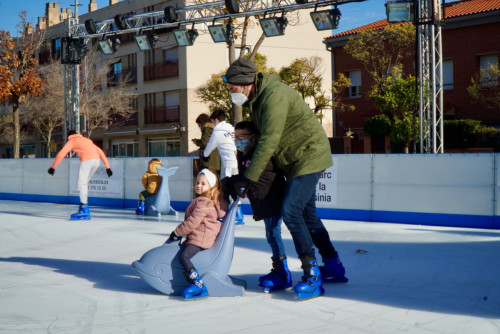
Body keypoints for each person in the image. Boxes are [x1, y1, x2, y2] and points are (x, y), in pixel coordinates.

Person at [222, 58, 347, 300]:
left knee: (291, 211)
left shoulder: (274, 96)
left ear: (245, 83)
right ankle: (333, 265)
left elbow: (269, 140)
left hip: (309, 155)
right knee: (308, 215)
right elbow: (257, 139)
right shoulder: (256, 102)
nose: (231, 94)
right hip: (294, 160)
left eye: (232, 89)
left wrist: (248, 179)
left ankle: (312, 274)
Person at [222, 121, 291, 293]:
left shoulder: (260, 153)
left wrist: (241, 182)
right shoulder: (243, 154)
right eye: (235, 137)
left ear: (253, 137)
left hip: (272, 198)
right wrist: (232, 182)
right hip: (261, 200)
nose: (238, 140)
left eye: (242, 136)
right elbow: (245, 177)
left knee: (273, 234)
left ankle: (283, 273)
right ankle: (278, 270)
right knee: (270, 235)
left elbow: (259, 177)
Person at [167, 168, 227, 300]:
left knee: (184, 257)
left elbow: (192, 223)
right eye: (197, 182)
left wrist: (177, 232)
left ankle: (198, 285)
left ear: (210, 186)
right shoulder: (206, 200)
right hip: (202, 236)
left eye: (203, 183)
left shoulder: (203, 203)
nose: (198, 185)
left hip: (201, 238)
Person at [48, 130, 112, 220]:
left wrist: (53, 167)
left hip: (87, 161)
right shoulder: (87, 140)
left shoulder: (72, 141)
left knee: (81, 184)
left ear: (69, 135)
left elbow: (62, 153)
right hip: (96, 161)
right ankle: (84, 206)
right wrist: (107, 168)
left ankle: (84, 208)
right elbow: (100, 151)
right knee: (84, 184)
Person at [204, 109, 244, 224]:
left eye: (212, 121)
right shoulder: (232, 129)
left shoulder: (217, 132)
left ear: (216, 120)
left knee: (227, 189)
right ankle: (238, 215)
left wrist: (205, 155)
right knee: (235, 188)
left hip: (228, 165)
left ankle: (233, 215)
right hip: (237, 162)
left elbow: (209, 147)